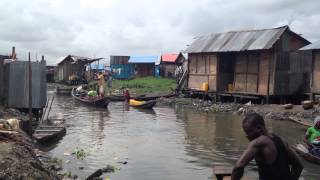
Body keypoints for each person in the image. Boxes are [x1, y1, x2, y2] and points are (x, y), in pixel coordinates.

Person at [231, 113, 303, 180]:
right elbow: (298, 166)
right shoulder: (282, 140)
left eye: (248, 132)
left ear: (259, 128)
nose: (247, 136)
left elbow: (238, 167)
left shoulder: (258, 142)